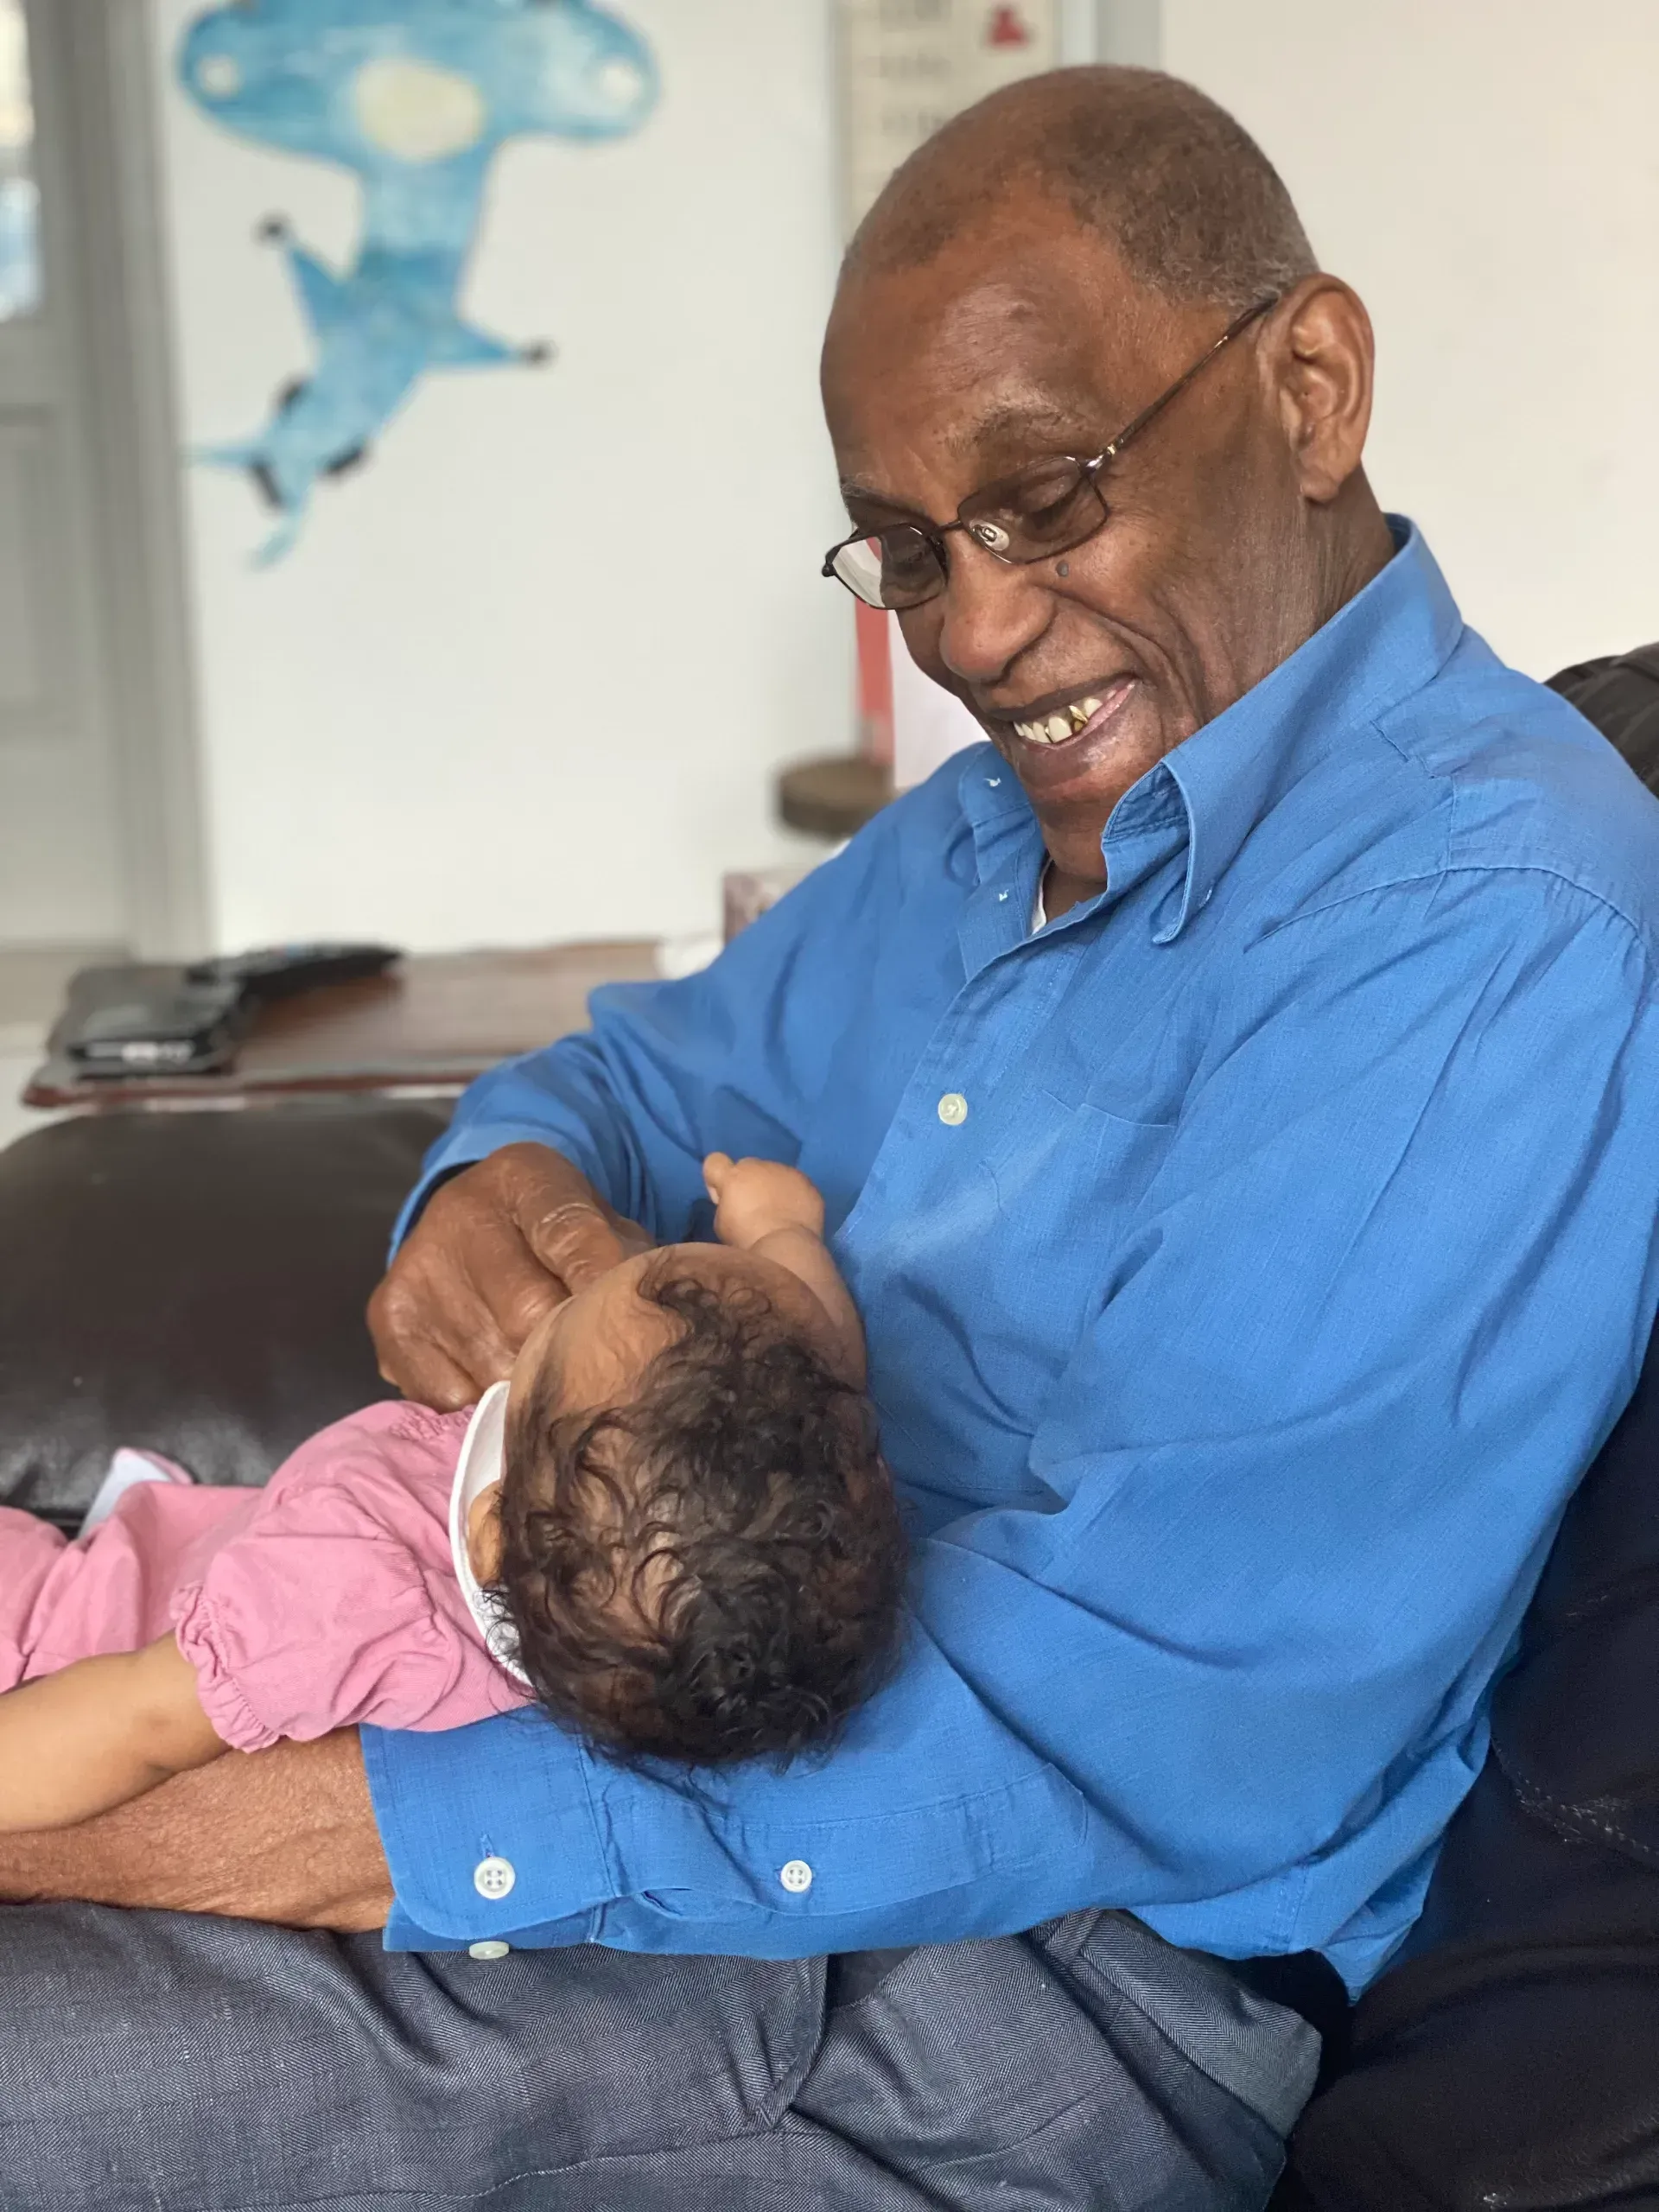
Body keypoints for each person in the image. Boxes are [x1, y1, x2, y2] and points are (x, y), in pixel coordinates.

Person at [3, 63, 1658, 2212]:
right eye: (906, 549)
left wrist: (312, 1812)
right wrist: (494, 1186)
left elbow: (1156, 1713)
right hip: (618, 1724)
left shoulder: (1482, 923)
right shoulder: (980, 836)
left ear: (1313, 387)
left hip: (1027, 1984)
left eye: (1044, 495)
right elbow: (636, 1078)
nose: (971, 630)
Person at [0, 1155, 896, 1827]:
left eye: (561, 1325)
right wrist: (779, 1234)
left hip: (68, 1644)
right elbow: (817, 1342)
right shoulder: (698, 1513)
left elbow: (143, 1720)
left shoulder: (356, 1589)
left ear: (486, 1530)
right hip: (195, 1539)